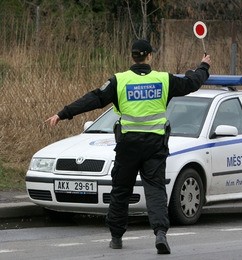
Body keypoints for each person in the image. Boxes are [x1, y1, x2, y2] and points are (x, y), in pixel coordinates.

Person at [45, 39, 211, 254]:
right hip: (155, 145)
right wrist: (203, 66)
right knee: (155, 190)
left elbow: (93, 99)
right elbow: (192, 83)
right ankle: (160, 233)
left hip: (128, 145)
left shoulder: (119, 81)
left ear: (132, 57)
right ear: (150, 56)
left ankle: (116, 237)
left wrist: (63, 113)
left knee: (121, 190)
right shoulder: (163, 80)